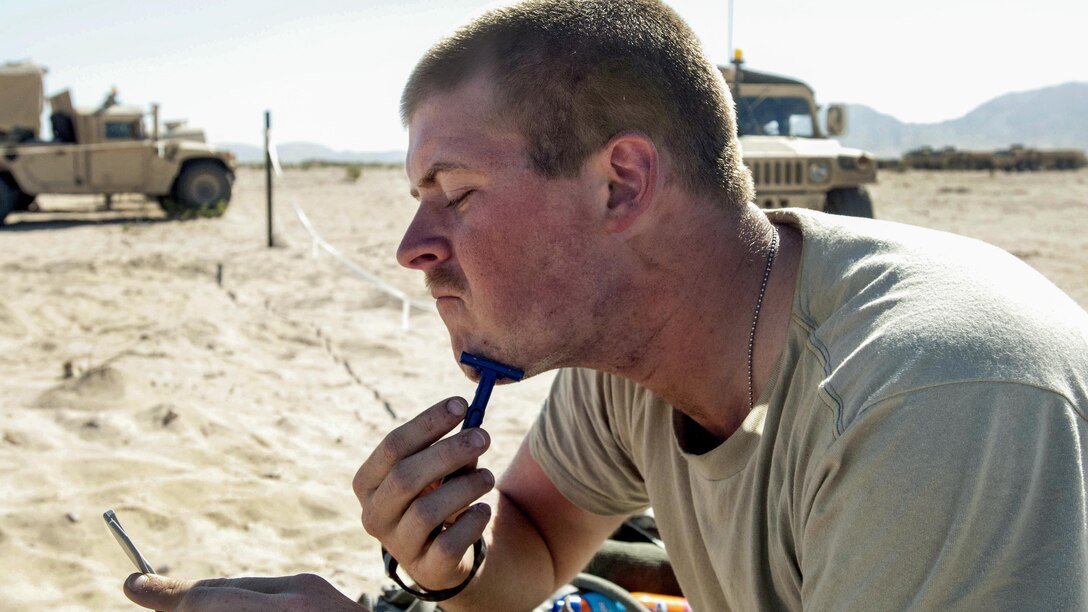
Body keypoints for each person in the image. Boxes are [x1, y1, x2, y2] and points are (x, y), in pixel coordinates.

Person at [122, 0, 1088, 610]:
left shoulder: (928, 402)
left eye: (455, 194)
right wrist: (450, 560)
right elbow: (534, 551)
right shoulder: (634, 354)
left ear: (621, 184)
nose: (412, 248)